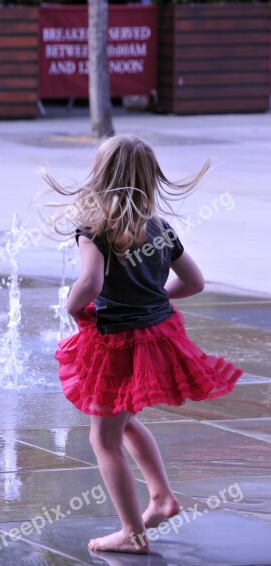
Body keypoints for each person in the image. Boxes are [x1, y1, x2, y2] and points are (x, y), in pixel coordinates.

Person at [41, 135, 243, 554]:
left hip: (117, 341)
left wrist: (73, 308)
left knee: (104, 439)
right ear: (150, 179)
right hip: (158, 334)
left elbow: (90, 282)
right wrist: (155, 299)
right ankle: (162, 498)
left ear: (101, 176)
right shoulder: (160, 229)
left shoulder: (95, 229)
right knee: (124, 419)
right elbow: (195, 282)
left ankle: (133, 535)